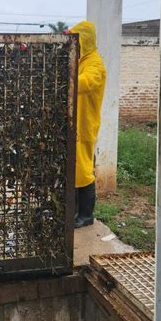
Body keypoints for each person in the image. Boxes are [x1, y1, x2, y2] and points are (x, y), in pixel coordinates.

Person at [66, 21, 106, 228]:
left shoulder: (95, 64)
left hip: (85, 124)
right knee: (74, 170)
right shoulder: (82, 60)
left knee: (83, 172)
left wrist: (64, 79)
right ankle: (73, 213)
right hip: (75, 124)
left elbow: (85, 82)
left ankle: (86, 215)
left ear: (84, 40)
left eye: (77, 39)